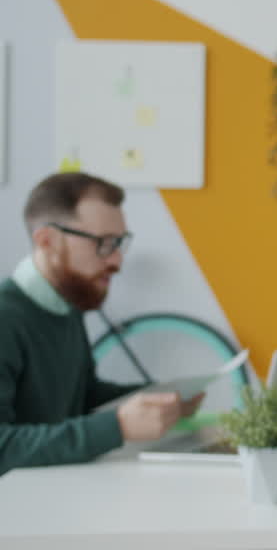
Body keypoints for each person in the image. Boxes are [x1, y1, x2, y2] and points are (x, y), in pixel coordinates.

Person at [0, 172, 202, 475]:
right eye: (104, 243)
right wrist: (118, 426)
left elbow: (82, 396)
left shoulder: (66, 306)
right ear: (47, 241)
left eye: (119, 243)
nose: (117, 260)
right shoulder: (7, 317)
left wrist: (162, 397)